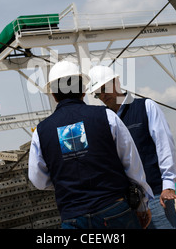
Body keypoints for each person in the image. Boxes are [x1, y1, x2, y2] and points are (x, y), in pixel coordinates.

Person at [28, 60, 153, 229]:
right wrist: (142, 205)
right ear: (83, 90)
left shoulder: (41, 132)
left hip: (73, 218)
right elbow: (132, 163)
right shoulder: (107, 116)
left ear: (54, 95)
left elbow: (37, 179)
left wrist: (65, 180)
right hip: (115, 211)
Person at [88, 65, 176, 229]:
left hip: (156, 194)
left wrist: (168, 185)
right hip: (127, 203)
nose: (102, 96)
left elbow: (164, 145)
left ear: (115, 83)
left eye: (104, 89)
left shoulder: (146, 107)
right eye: (97, 93)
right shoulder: (103, 119)